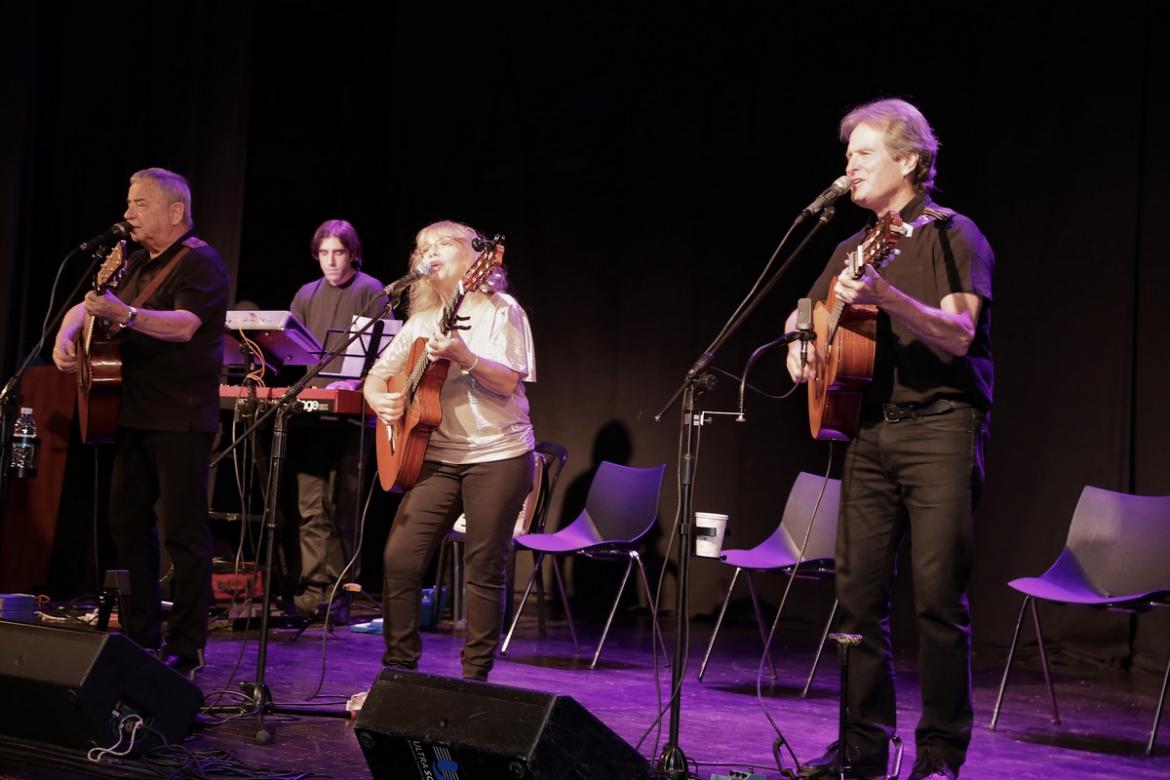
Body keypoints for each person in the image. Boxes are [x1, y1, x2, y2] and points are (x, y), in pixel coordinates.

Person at [788, 99, 994, 780]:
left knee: (937, 598)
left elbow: (960, 333)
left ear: (908, 161)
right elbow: (807, 305)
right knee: (856, 597)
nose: (849, 167)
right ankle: (861, 747)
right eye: (847, 155)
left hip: (942, 426)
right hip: (869, 431)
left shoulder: (951, 234)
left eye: (863, 154)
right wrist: (799, 341)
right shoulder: (852, 246)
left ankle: (938, 755)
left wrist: (888, 298)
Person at [52, 167, 230, 678]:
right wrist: (66, 335)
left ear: (175, 211)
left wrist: (124, 314)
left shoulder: (200, 262)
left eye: (140, 204)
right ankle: (140, 635)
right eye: (128, 203)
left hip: (180, 415)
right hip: (129, 412)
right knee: (126, 523)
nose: (127, 213)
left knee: (183, 532)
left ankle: (187, 645)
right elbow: (89, 305)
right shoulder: (132, 261)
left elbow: (185, 326)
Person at [363, 220, 535, 682]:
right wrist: (379, 399)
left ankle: (474, 679)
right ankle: (399, 671)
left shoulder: (502, 310)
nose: (429, 253)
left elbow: (508, 381)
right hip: (437, 459)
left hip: (498, 456)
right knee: (400, 558)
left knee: (484, 565)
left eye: (443, 244)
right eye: (422, 248)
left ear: (475, 259)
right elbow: (377, 376)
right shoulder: (421, 321)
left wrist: (465, 356)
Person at [286, 219, 388, 621]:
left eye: (338, 253)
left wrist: (356, 381)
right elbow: (291, 348)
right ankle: (313, 591)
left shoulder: (371, 290)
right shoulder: (305, 294)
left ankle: (340, 592)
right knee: (310, 506)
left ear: (352, 254)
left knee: (342, 507)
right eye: (324, 253)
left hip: (353, 415)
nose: (331, 261)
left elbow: (383, 354)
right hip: (313, 413)